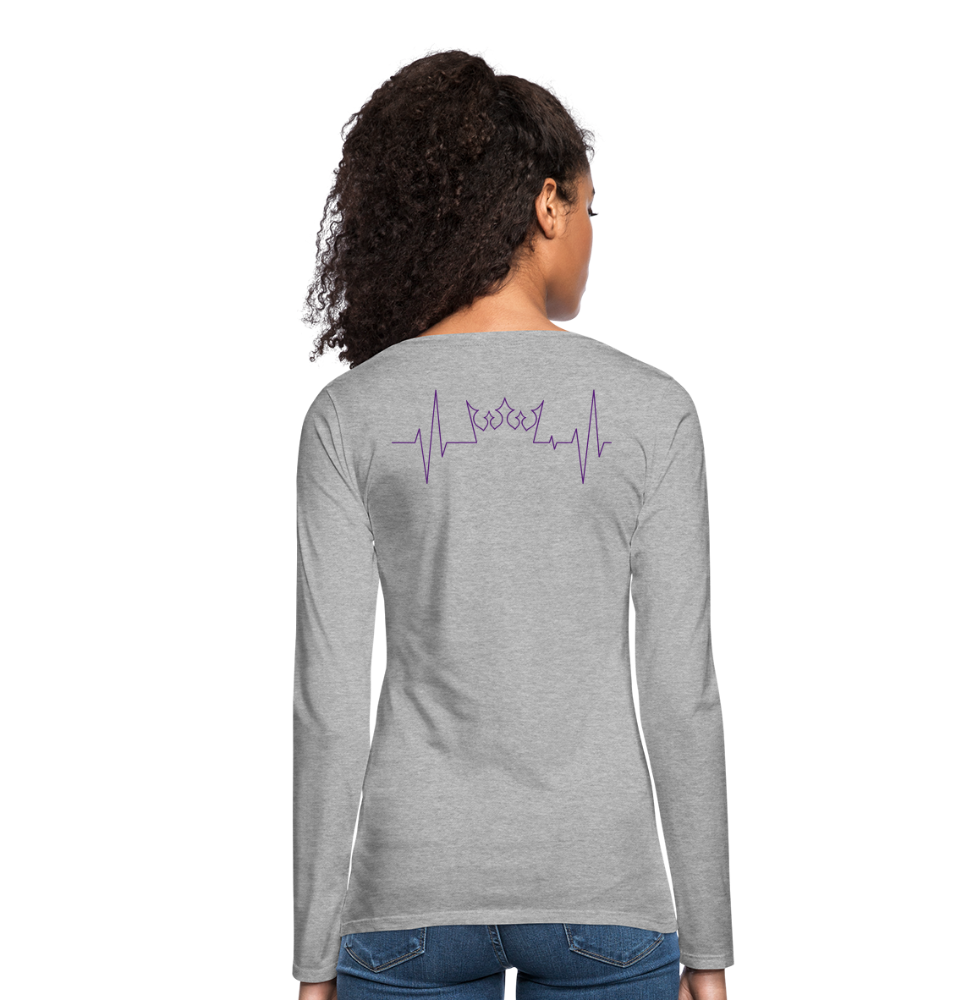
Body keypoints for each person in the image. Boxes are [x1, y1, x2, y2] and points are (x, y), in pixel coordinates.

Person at [295, 45, 732, 1000]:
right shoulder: (652, 408)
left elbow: (327, 704)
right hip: (603, 892)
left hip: (409, 899)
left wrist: (312, 962)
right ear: (547, 206)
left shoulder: (350, 414)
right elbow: (681, 695)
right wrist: (708, 953)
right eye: (589, 207)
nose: (591, 234)